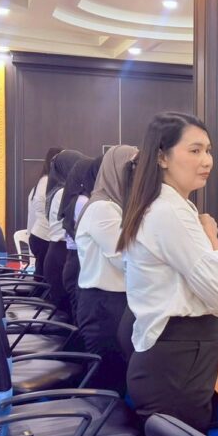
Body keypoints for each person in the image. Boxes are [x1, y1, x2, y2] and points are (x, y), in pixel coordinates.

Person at [117, 112, 218, 433]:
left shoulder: (168, 204)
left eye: (208, 150)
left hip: (174, 356)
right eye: (194, 150)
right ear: (162, 157)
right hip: (177, 361)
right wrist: (212, 236)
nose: (207, 160)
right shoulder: (169, 211)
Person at [76, 145, 137, 395]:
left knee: (117, 378)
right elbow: (126, 259)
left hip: (112, 303)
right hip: (104, 306)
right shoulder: (103, 208)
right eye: (133, 169)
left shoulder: (115, 207)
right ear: (117, 171)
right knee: (108, 384)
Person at [59, 155, 101, 321]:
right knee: (79, 317)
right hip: (77, 261)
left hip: (73, 260)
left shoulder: (77, 199)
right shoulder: (83, 201)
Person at [44, 149, 85, 316]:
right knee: (67, 312)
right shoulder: (64, 192)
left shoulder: (57, 190)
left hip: (57, 251)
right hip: (61, 253)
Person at [26, 147, 62, 277]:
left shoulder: (43, 181)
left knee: (42, 276)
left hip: (40, 235)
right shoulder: (47, 181)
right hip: (44, 236)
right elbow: (45, 211)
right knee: (45, 277)